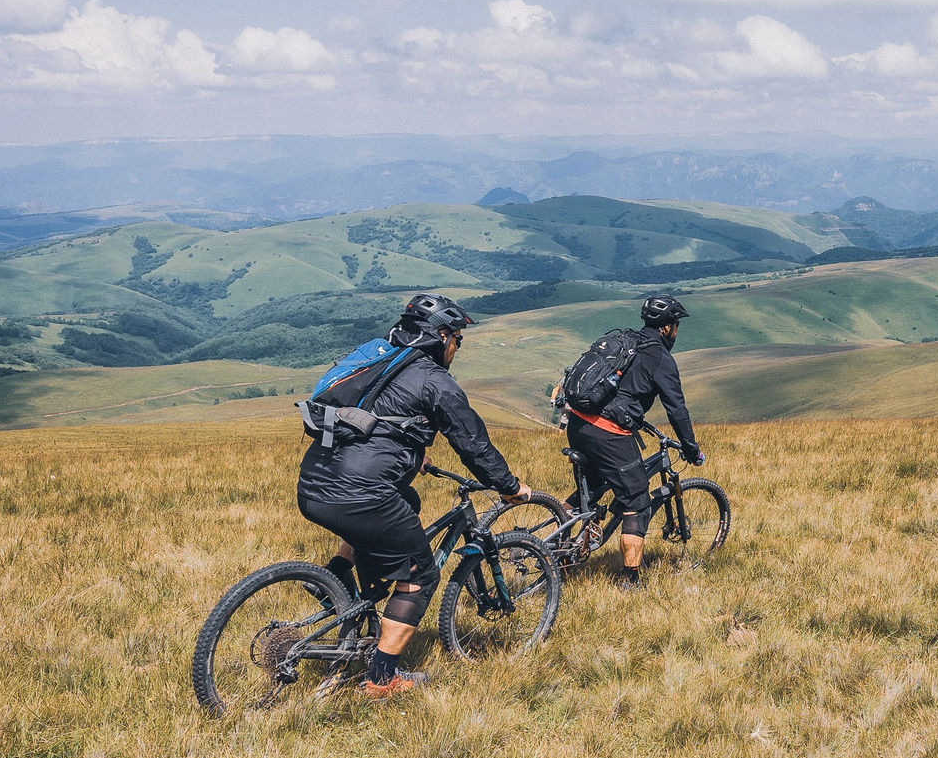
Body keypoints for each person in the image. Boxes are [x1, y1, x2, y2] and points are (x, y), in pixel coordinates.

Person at [297, 293, 527, 698]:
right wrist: (509, 487)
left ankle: (339, 575)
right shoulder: (434, 380)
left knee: (408, 504)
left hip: (314, 483)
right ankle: (382, 678)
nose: (457, 348)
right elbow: (473, 444)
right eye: (457, 339)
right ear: (441, 336)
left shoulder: (380, 360)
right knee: (421, 576)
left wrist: (410, 454)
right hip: (359, 493)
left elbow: (372, 421)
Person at [565, 294, 702, 588]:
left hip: (578, 423)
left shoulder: (626, 341)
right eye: (676, 325)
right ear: (668, 327)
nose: (676, 331)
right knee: (637, 502)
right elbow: (676, 408)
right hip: (608, 432)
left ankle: (557, 541)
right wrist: (690, 448)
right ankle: (630, 581)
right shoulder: (661, 358)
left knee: (592, 488)